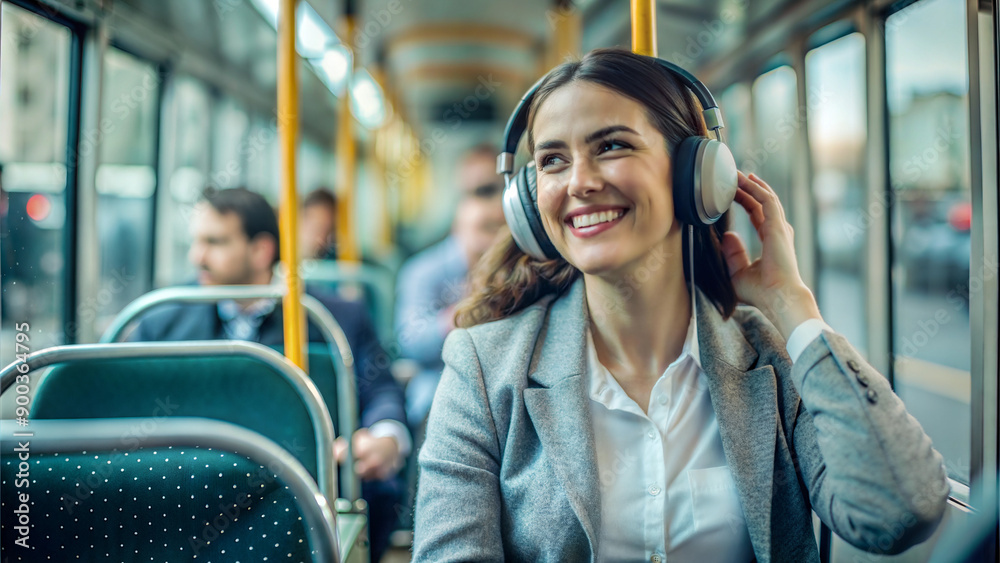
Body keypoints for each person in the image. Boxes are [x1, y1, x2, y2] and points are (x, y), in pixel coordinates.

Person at [413, 49, 949, 562]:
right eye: (553, 160)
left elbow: (901, 509)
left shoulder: (773, 356)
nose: (579, 182)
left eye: (612, 146)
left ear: (696, 173)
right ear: (530, 201)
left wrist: (794, 307)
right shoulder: (482, 369)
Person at [129, 187, 408, 562]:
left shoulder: (334, 318)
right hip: (185, 492)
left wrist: (384, 436)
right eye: (196, 241)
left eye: (215, 242)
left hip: (303, 491)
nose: (198, 257)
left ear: (261, 250)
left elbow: (379, 393)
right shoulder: (161, 319)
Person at [394, 144, 505, 429]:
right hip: (439, 392)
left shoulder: (519, 269)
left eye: (493, 190)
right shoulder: (423, 271)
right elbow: (411, 342)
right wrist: (465, 313)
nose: (490, 207)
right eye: (478, 194)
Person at [300, 187, 338, 260]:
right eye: (317, 228)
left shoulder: (332, 259)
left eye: (328, 230)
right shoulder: (277, 254)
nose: (322, 238)